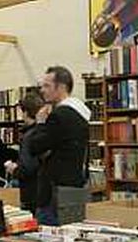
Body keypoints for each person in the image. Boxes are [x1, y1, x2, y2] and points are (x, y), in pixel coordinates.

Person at [27, 66, 91, 225]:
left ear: (61, 87)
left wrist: (40, 123)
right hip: (74, 187)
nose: (42, 90)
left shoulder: (59, 115)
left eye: (47, 86)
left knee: (48, 235)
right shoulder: (81, 114)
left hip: (54, 192)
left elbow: (35, 147)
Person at [4, 92, 46, 213]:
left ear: (26, 113)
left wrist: (14, 169)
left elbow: (27, 168)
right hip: (46, 191)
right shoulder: (45, 131)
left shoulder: (29, 137)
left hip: (31, 192)